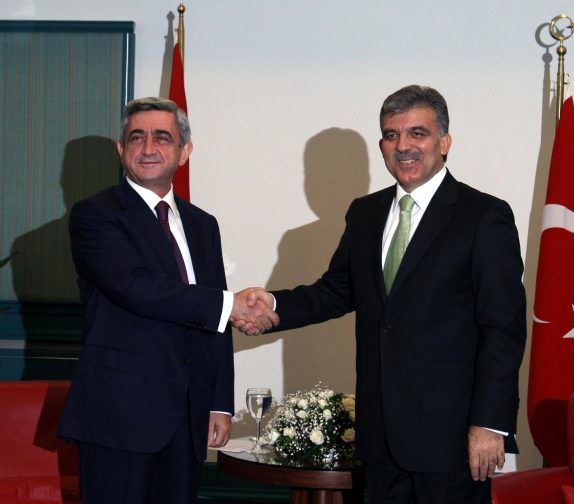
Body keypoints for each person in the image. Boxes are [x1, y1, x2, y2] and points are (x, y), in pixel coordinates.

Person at [234, 85, 526, 503]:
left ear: (444, 142)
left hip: (452, 439)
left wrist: (489, 423)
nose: (403, 146)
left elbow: (503, 327)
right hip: (380, 439)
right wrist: (273, 305)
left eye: (417, 134)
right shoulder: (366, 213)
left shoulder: (483, 216)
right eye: (391, 135)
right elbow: (337, 291)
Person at [58, 97, 278, 503]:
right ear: (121, 149)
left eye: (162, 138)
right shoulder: (96, 215)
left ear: (184, 151)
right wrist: (232, 305)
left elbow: (211, 316)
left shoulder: (202, 224)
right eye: (136, 138)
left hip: (189, 413)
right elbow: (137, 288)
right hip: (120, 414)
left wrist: (218, 403)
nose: (148, 148)